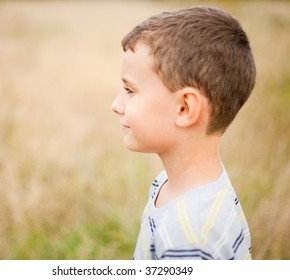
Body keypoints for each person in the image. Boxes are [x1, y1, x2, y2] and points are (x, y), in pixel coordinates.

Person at [111, 6, 256, 260]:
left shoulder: (190, 238)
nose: (116, 104)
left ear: (185, 108)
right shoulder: (169, 183)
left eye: (130, 90)